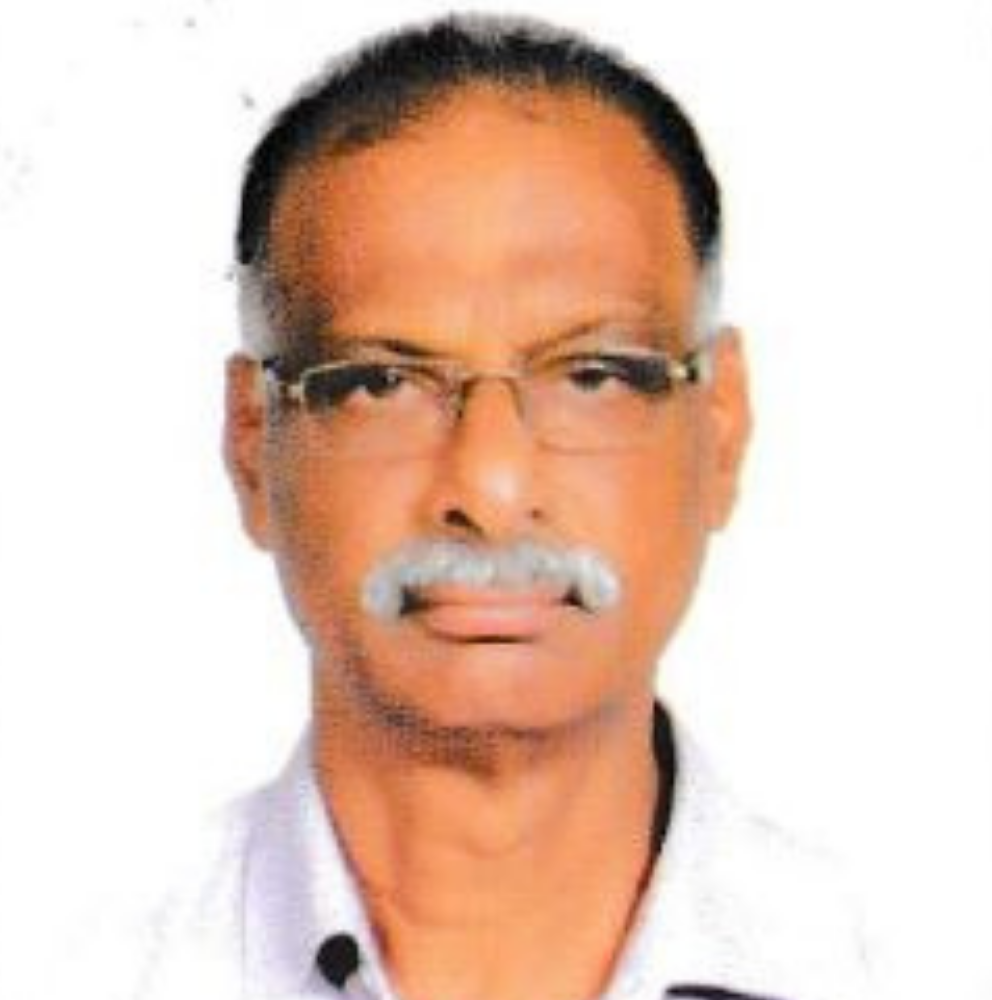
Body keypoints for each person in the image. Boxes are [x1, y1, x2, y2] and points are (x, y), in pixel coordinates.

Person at [75, 13, 871, 1000]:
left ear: (720, 428)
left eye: (591, 375)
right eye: (379, 383)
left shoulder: (904, 961)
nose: (489, 490)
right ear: (250, 447)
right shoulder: (71, 966)